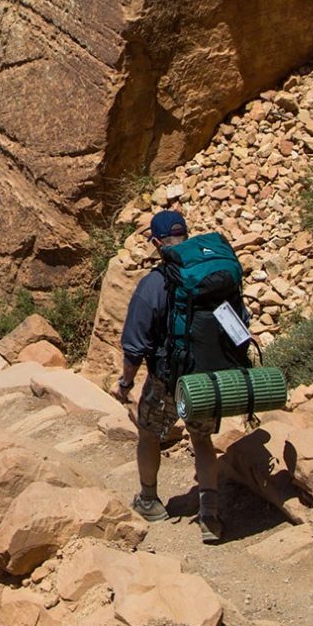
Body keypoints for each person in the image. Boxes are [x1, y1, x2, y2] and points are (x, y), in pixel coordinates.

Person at [110, 209, 243, 543]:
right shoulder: (212, 271)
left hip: (168, 379)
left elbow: (134, 346)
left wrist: (125, 384)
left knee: (149, 434)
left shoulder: (156, 282)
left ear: (156, 243)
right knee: (202, 439)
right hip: (209, 377)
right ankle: (209, 515)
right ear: (186, 235)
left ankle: (149, 500)